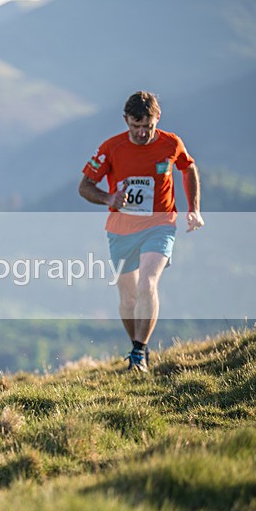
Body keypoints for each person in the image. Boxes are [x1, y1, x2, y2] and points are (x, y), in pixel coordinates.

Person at [78, 91, 203, 372]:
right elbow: (84, 186)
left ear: (157, 119)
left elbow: (188, 167)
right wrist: (109, 199)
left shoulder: (171, 143)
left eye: (148, 126)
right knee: (128, 298)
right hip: (121, 230)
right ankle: (137, 345)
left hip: (160, 226)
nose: (143, 133)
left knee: (147, 284)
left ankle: (138, 353)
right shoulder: (111, 148)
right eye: (136, 127)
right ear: (126, 121)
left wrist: (193, 208)